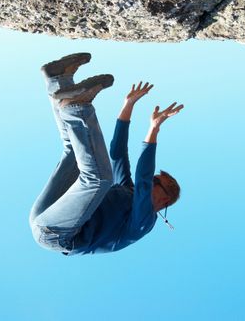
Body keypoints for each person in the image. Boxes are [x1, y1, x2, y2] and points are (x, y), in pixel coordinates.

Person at [29, 53, 184, 255]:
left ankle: (78, 108)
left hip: (59, 234)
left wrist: (154, 129)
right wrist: (128, 105)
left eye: (157, 183)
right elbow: (118, 152)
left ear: (164, 201)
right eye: (155, 179)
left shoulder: (145, 222)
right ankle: (58, 79)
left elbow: (143, 178)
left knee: (99, 179)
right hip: (46, 214)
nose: (149, 182)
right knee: (76, 155)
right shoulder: (127, 190)